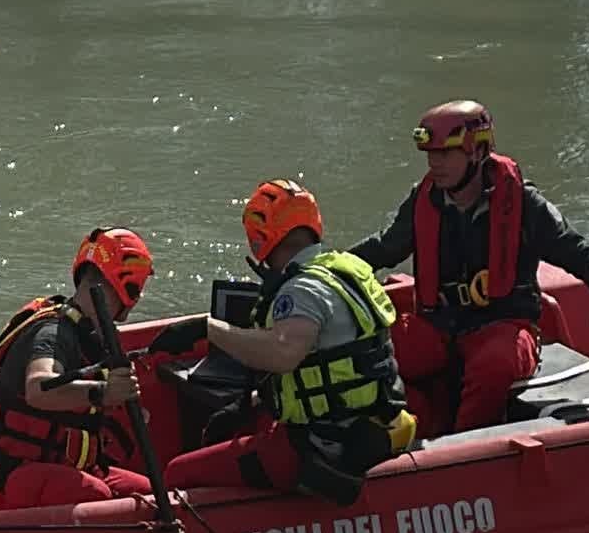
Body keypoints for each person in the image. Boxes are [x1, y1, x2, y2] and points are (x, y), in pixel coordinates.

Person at [346, 99, 589, 437]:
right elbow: (384, 248)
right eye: (430, 154)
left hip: (503, 324)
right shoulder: (424, 199)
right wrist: (330, 272)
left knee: (494, 364)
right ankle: (408, 434)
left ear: (477, 151)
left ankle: (463, 450)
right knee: (376, 354)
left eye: (445, 154)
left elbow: (577, 250)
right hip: (438, 323)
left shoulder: (522, 203)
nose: (434, 163)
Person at [149, 179, 417, 506]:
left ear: (262, 238)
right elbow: (324, 363)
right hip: (366, 424)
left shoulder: (300, 291)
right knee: (236, 429)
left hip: (322, 443)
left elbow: (282, 354)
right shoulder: (346, 269)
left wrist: (208, 329)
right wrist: (252, 402)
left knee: (178, 473)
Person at [0, 227, 157, 511]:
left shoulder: (89, 334)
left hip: (48, 466)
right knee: (95, 497)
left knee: (150, 498)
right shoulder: (52, 333)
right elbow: (39, 388)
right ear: (127, 283)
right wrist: (103, 392)